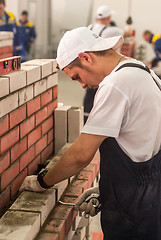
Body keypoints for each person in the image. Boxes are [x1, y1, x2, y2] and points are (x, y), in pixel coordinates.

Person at [20, 27, 161, 240]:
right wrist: (109, 190)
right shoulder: (142, 71)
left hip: (134, 215)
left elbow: (81, 154)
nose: (83, 85)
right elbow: (141, 143)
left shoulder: (115, 84)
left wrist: (42, 182)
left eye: (77, 77)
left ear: (85, 57)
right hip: (149, 199)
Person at [83, 5, 125, 123]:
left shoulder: (90, 27)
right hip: (104, 68)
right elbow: (128, 33)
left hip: (88, 65)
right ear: (109, 17)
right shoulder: (113, 30)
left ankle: (86, 119)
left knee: (90, 93)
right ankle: (102, 121)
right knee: (104, 93)